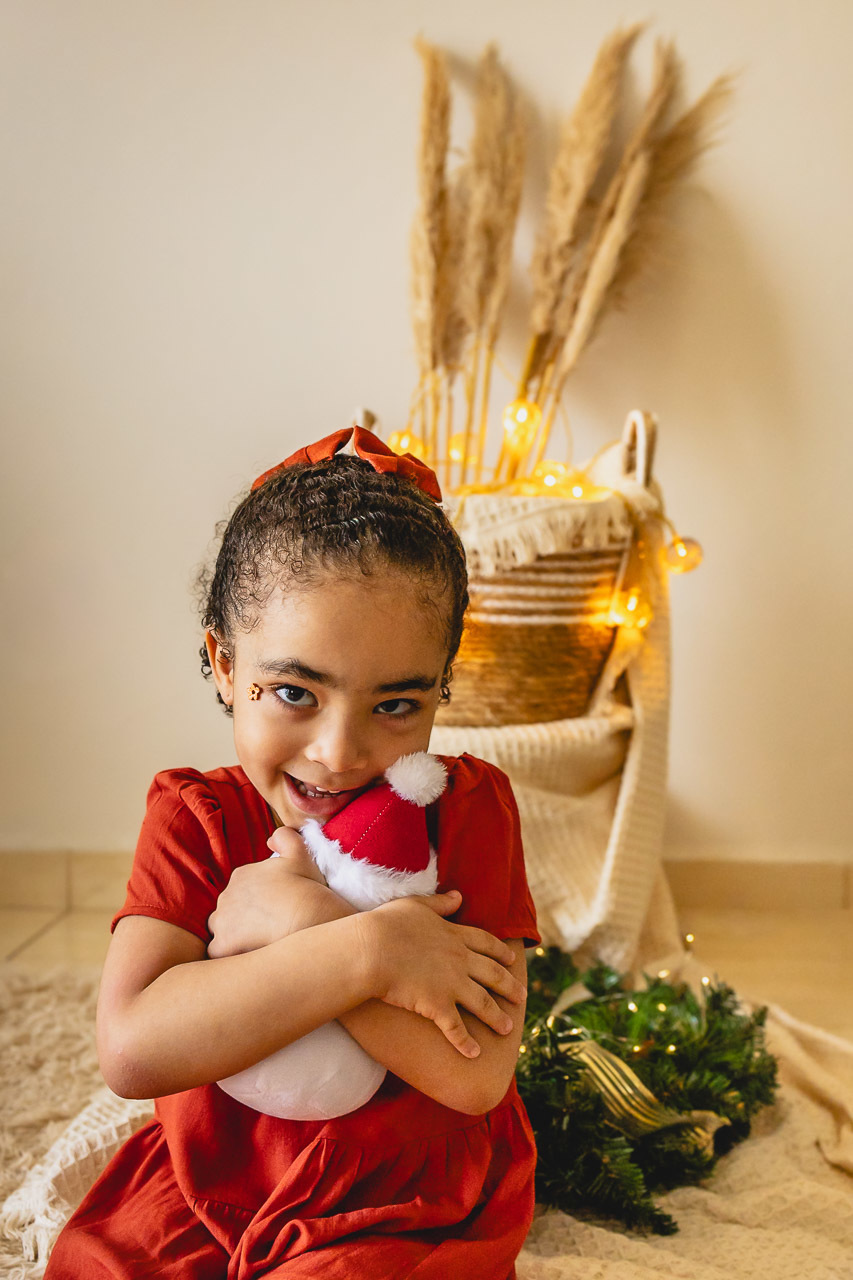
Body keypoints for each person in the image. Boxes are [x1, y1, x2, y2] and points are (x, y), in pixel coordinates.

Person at [45, 426, 542, 1279]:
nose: (339, 753)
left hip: (401, 1198)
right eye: (293, 692)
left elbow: (473, 1079)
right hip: (211, 1178)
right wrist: (367, 948)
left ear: (441, 688)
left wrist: (305, 917)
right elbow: (134, 1049)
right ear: (223, 664)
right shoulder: (194, 815)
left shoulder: (468, 812)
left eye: (395, 704)